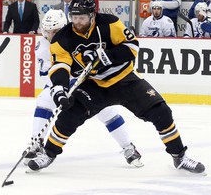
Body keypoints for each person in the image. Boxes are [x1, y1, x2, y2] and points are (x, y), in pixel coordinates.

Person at [27, 0, 205, 174]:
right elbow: (60, 66)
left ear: (92, 15)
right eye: (74, 17)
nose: (77, 22)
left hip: (124, 79)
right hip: (93, 83)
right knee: (68, 115)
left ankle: (179, 157)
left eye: (81, 18)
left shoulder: (109, 23)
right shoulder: (62, 39)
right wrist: (59, 89)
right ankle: (48, 153)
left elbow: (133, 46)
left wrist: (107, 57)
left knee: (162, 112)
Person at [24, 9, 143, 167]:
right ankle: (36, 144)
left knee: (107, 112)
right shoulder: (44, 47)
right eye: (48, 31)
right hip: (63, 85)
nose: (51, 35)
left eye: (55, 31)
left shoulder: (76, 37)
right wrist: (61, 89)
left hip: (91, 83)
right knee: (44, 101)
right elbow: (50, 74)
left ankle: (128, 147)